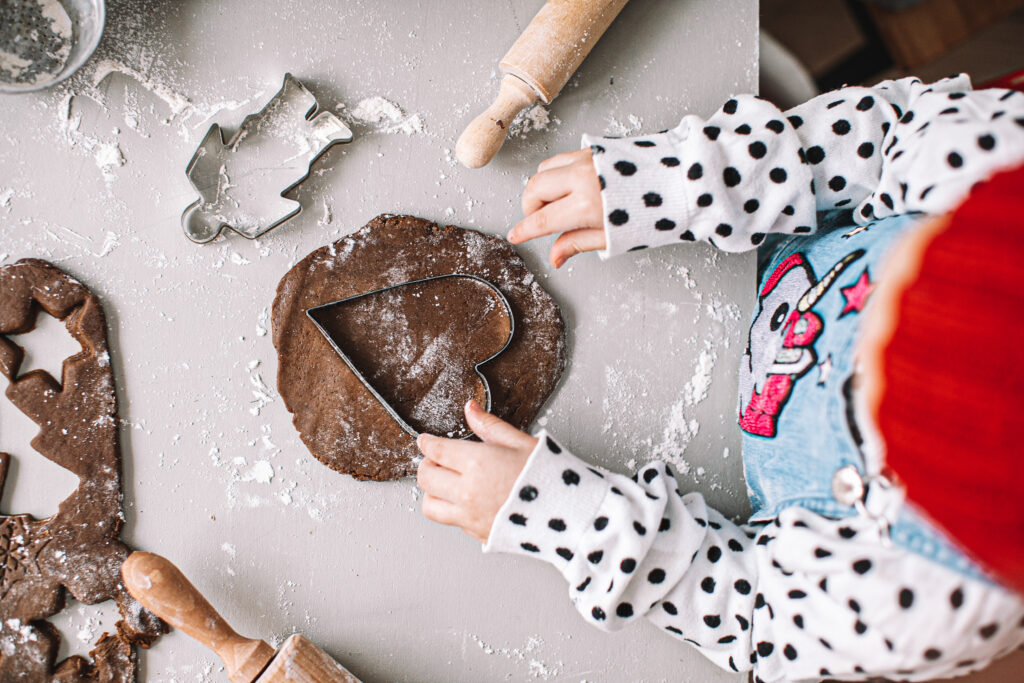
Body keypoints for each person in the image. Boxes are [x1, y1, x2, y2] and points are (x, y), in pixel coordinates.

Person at [416, 74, 1024, 681]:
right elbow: (890, 131)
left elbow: (755, 616)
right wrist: (697, 181)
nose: (865, 330)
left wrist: (565, 515)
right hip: (746, 239)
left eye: (867, 385)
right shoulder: (1005, 159)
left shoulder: (925, 601)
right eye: (911, 274)